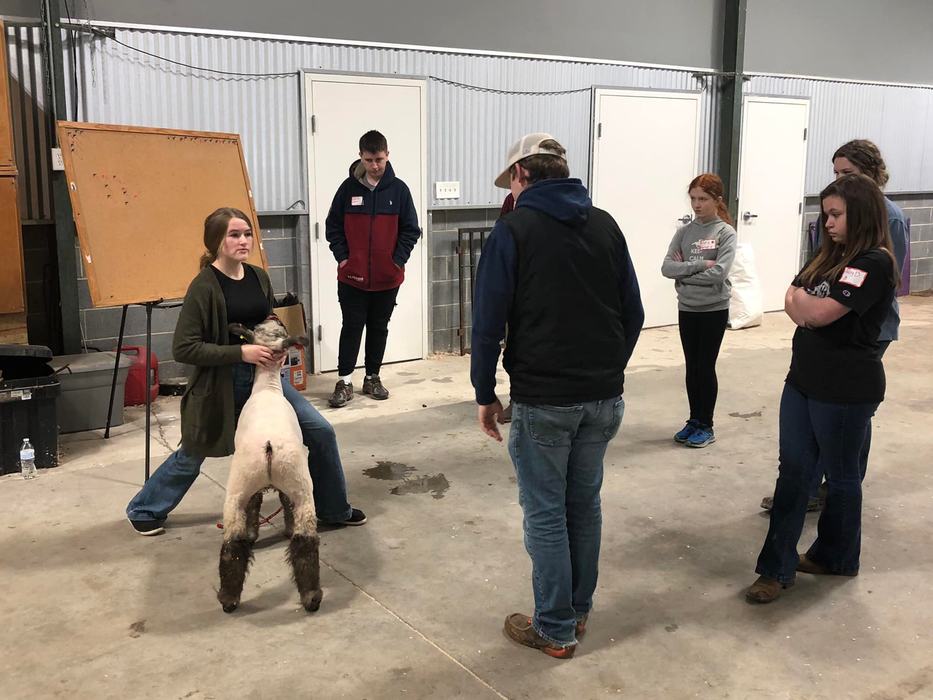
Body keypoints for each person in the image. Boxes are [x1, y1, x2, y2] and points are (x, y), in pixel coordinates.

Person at [471, 133, 644, 658]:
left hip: (545, 398)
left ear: (521, 175)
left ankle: (554, 626)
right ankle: (578, 609)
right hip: (602, 396)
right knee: (583, 505)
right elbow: (632, 312)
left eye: (511, 183)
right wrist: (608, 367)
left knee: (546, 511)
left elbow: (488, 322)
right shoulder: (605, 224)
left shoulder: (514, 230)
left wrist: (485, 391)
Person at [126, 207, 365, 535]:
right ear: (216, 242)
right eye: (234, 235)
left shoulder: (258, 276)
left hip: (266, 382)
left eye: (247, 233)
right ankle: (144, 508)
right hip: (221, 385)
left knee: (320, 432)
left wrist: (277, 341)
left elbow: (267, 317)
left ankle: (334, 509)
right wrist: (243, 351)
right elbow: (184, 348)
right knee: (194, 452)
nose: (243, 241)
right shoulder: (204, 287)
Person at [746, 174, 899, 603]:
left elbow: (818, 313)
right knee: (793, 472)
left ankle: (836, 555)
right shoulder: (828, 256)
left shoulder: (874, 262)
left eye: (836, 215)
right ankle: (775, 569)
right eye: (825, 214)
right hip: (803, 380)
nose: (827, 223)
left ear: (862, 214)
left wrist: (803, 306)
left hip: (845, 388)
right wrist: (803, 305)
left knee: (843, 478)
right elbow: (793, 297)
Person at [760, 139, 909, 512]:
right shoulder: (835, 220)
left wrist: (820, 304)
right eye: (836, 173)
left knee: (849, 411)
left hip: (864, 324)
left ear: (871, 175)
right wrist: (808, 301)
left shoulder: (885, 218)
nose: (840, 180)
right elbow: (807, 281)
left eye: (849, 173)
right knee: (817, 411)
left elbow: (885, 274)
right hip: (828, 313)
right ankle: (809, 487)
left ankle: (837, 484)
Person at [325, 130, 421, 408]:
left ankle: (372, 377)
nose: (375, 165)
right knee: (352, 326)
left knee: (379, 327)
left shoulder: (399, 190)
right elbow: (333, 227)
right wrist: (343, 258)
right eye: (369, 160)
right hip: (352, 277)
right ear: (360, 157)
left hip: (387, 278)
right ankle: (344, 381)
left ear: (387, 155)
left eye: (379, 159)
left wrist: (396, 261)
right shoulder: (347, 189)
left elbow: (411, 230)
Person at [661, 174, 737, 448]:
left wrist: (683, 275)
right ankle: (694, 419)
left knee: (705, 366)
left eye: (703, 199)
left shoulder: (725, 233)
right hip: (688, 308)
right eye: (693, 199)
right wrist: (698, 266)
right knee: (692, 367)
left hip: (713, 309)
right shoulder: (684, 232)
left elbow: (719, 274)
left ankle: (707, 424)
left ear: (717, 200)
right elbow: (667, 267)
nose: (696, 205)